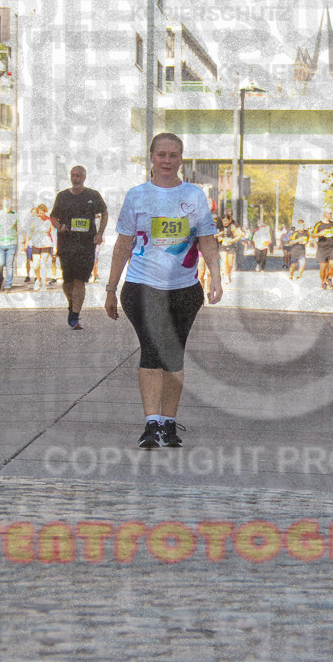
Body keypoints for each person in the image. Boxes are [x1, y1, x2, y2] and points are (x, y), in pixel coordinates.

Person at [105, 133, 222, 449]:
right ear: (151, 157)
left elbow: (207, 240)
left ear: (181, 158)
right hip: (142, 286)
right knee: (153, 349)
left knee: (174, 355)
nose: (167, 161)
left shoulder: (195, 196)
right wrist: (111, 287)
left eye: (173, 155)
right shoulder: (137, 195)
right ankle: (151, 424)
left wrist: (216, 277)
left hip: (184, 290)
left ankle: (168, 425)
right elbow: (123, 244)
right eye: (161, 155)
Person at [50, 165, 107, 329]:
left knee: (80, 280)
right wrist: (58, 226)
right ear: (70, 177)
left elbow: (105, 212)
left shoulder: (93, 195)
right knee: (68, 282)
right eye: (73, 175)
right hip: (66, 244)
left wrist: (100, 233)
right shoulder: (62, 196)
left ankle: (75, 316)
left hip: (86, 245)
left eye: (79, 176)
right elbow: (53, 216)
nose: (76, 178)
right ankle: (72, 305)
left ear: (84, 177)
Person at [27, 204, 54, 291]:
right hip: (36, 244)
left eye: (42, 213)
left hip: (46, 244)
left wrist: (55, 246)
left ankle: (43, 285)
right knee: (36, 265)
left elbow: (53, 233)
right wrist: (27, 241)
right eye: (39, 213)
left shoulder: (49, 220)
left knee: (43, 264)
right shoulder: (35, 220)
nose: (40, 215)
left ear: (45, 212)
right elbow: (29, 231)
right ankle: (38, 280)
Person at [0, 200, 19, 291]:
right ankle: (0, 279)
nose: (10, 206)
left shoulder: (15, 215)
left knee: (9, 264)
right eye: (8, 204)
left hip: (12, 242)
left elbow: (17, 228)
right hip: (0, 243)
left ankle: (8, 284)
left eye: (11, 204)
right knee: (0, 264)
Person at [312, 210, 333, 289]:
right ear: (325, 214)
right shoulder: (319, 224)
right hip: (322, 248)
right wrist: (319, 234)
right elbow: (312, 234)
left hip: (331, 247)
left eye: (331, 213)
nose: (331, 215)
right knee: (323, 267)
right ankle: (323, 282)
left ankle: (329, 278)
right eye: (329, 213)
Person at [216, 213, 245, 284]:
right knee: (224, 261)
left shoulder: (232, 227)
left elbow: (240, 235)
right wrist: (219, 238)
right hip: (222, 245)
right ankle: (225, 276)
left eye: (226, 221)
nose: (225, 223)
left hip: (231, 246)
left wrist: (232, 240)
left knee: (230, 263)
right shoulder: (220, 227)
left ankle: (228, 274)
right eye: (223, 221)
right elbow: (216, 235)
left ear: (229, 220)